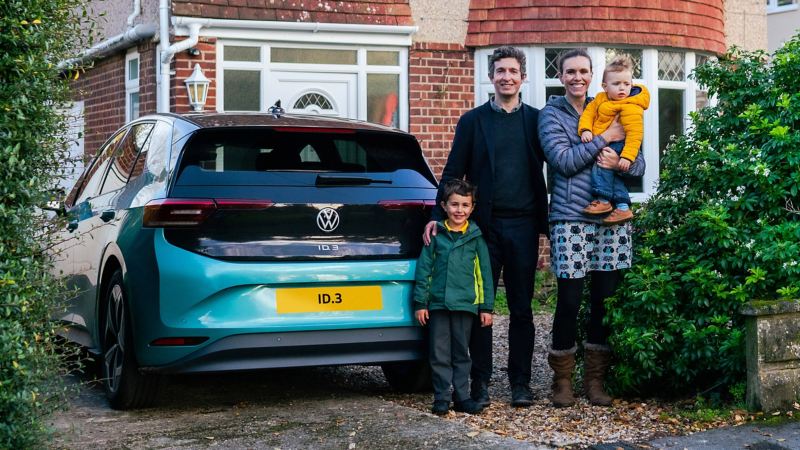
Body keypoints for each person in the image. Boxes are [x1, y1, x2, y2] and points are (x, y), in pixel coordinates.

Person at [423, 46, 549, 408]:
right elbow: (451, 173)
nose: (506, 76)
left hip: (524, 227)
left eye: (512, 70)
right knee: (481, 309)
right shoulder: (473, 121)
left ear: (522, 77)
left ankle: (520, 384)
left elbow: (559, 163)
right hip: (483, 230)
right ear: (491, 77)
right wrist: (436, 215)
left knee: (522, 310)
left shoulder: (536, 121)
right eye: (500, 71)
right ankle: (479, 384)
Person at [538, 49, 645, 407]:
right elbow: (564, 161)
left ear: (592, 76)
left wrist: (621, 161)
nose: (577, 77)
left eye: (583, 71)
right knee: (569, 300)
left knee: (603, 299)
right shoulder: (551, 115)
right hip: (570, 216)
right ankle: (562, 380)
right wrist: (606, 137)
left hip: (612, 218)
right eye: (570, 71)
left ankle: (594, 381)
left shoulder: (612, 103)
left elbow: (640, 163)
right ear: (561, 75)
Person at [414, 179, 494, 415]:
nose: (460, 210)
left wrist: (486, 307)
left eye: (465, 205)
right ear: (444, 206)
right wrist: (421, 303)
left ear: (472, 208)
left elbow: (484, 275)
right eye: (454, 204)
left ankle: (462, 397)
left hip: (465, 305)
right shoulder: (436, 235)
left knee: (461, 353)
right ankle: (441, 397)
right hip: (437, 305)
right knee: (439, 353)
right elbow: (424, 270)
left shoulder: (476, 238)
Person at [578, 54, 650, 224]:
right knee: (613, 176)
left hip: (621, 145)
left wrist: (626, 157)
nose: (622, 88)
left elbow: (635, 135)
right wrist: (585, 130)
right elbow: (588, 114)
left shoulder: (631, 106)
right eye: (616, 84)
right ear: (605, 86)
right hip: (603, 139)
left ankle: (603, 200)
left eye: (626, 84)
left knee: (601, 166)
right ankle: (623, 207)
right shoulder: (599, 99)